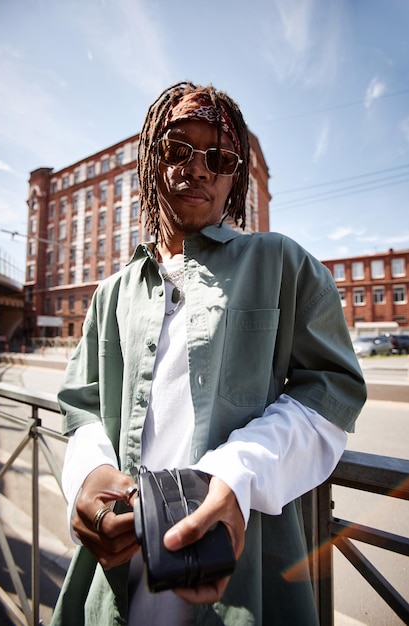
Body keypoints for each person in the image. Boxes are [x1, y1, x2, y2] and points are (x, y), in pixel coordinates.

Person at [50, 81, 366, 626]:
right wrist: (88, 475)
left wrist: (238, 471)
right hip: (116, 582)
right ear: (152, 163)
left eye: (219, 158)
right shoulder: (111, 294)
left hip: (243, 580)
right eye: (179, 150)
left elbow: (332, 394)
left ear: (234, 178)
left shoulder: (282, 264)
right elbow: (81, 406)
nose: (198, 169)